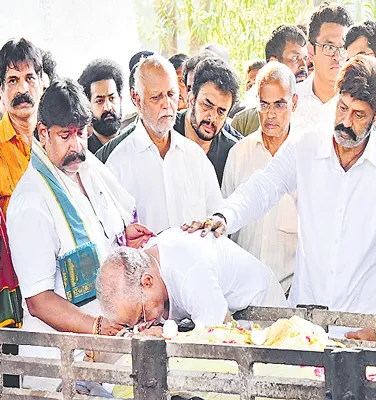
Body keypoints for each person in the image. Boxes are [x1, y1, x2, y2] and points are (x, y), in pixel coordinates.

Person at [183, 56, 376, 342]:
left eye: (358, 115)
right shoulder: (305, 147)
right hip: (306, 326)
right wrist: (224, 217)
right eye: (342, 108)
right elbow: (262, 186)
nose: (345, 121)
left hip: (364, 327)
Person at [6, 78, 154, 390]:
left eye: (81, 134)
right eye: (65, 136)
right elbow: (38, 300)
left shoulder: (86, 169)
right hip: (60, 364)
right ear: (43, 133)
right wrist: (96, 327)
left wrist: (125, 236)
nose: (77, 146)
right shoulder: (31, 201)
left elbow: (98, 233)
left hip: (102, 352)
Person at [104, 55, 223, 234]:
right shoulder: (117, 165)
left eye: (171, 94)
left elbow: (216, 220)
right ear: (137, 99)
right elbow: (114, 238)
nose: (167, 104)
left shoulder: (195, 156)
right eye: (156, 97)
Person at [97, 228, 288, 330]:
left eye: (141, 317)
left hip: (261, 315)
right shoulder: (150, 260)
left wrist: (165, 335)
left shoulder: (189, 272)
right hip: (228, 312)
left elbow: (223, 339)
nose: (142, 327)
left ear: (147, 282)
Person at [222, 62, 299, 292]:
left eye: (279, 105)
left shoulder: (306, 158)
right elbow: (226, 230)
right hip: (242, 294)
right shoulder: (239, 153)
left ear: (294, 103)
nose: (271, 114)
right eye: (264, 105)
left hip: (289, 294)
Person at [172, 58, 242, 186]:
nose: (212, 117)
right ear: (192, 99)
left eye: (221, 112)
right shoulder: (166, 132)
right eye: (207, 105)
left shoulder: (232, 153)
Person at [232, 24, 309, 137]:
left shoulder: (317, 114)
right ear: (274, 62)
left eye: (305, 59)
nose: (303, 66)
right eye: (295, 58)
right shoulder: (244, 122)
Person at [291, 3, 353, 136]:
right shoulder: (290, 100)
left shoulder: (358, 103)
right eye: (329, 47)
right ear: (311, 51)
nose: (337, 57)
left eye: (343, 48)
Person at [0, 38, 44, 216]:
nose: (23, 89)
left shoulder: (57, 139)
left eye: (30, 78)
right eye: (13, 81)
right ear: (1, 90)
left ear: (41, 84)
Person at [78, 59, 136, 154]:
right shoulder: (84, 153)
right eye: (100, 101)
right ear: (88, 107)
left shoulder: (135, 144)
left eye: (112, 98)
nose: (108, 107)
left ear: (120, 99)